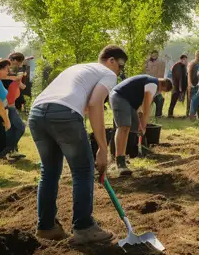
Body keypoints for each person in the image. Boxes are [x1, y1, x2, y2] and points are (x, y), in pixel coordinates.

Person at [29, 45, 126, 243]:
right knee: (83, 170)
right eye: (121, 66)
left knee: (49, 171)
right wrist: (103, 148)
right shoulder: (107, 73)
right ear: (111, 61)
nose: (120, 71)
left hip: (37, 114)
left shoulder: (79, 68)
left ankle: (46, 227)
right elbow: (95, 103)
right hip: (63, 113)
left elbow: (85, 108)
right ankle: (84, 227)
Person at [109, 74, 173, 175]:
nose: (159, 93)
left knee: (133, 126)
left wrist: (140, 123)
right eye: (162, 91)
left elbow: (140, 109)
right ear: (163, 87)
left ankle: (126, 153)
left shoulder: (149, 82)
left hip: (129, 103)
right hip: (119, 97)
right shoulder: (153, 84)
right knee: (124, 127)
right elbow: (146, 109)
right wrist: (144, 126)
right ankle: (120, 162)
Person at [0, 52, 28, 160]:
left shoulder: (12, 72)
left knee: (12, 129)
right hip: (5, 105)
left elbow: (22, 86)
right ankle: (6, 151)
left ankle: (10, 151)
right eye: (17, 62)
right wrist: (19, 74)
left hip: (11, 105)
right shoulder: (4, 72)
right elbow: (18, 79)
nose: (18, 65)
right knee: (19, 127)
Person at [143, 50, 166, 119]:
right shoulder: (146, 62)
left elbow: (161, 74)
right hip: (147, 84)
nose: (154, 56)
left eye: (155, 54)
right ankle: (145, 115)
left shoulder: (161, 62)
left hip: (157, 84)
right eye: (152, 54)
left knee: (160, 100)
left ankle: (158, 115)